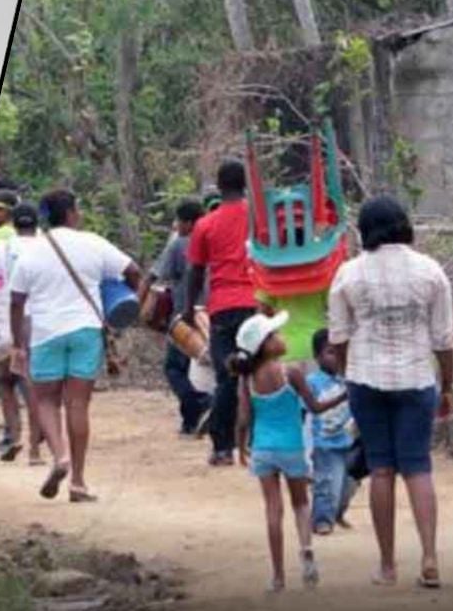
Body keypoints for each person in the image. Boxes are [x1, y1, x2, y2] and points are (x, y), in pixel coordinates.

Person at [327, 194, 453, 588]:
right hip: (416, 379)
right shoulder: (430, 271)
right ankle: (430, 558)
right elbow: (443, 341)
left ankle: (387, 565)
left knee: (381, 468)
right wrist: (447, 387)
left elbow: (339, 336)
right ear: (404, 225)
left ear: (365, 230)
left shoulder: (348, 273)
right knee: (417, 467)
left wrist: (351, 374)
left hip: (367, 379)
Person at [9, 190, 141, 502]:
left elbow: (16, 302)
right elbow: (133, 271)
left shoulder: (31, 252)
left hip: (45, 333)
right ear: (71, 213)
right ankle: (78, 482)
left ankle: (60, 457)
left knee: (45, 402)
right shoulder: (93, 243)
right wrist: (125, 300)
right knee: (78, 405)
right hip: (85, 330)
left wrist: (17, 344)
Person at [231, 312, 344, 592]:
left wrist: (241, 447)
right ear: (266, 345)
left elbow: (244, 418)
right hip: (292, 447)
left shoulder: (247, 380)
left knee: (273, 508)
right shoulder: (290, 372)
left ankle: (278, 576)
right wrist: (345, 395)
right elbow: (315, 407)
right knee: (300, 504)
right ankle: (306, 552)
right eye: (275, 335)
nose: (281, 338)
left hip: (263, 450)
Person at [185, 160, 260, 466]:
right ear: (245, 184)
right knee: (259, 374)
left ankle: (222, 448)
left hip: (223, 307)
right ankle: (258, 441)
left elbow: (195, 270)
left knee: (226, 378)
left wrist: (189, 308)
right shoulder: (259, 219)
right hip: (257, 303)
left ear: (219, 185)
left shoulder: (206, 224)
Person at [0, 201, 42, 462]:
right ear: (37, 224)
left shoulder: (5, 247)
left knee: (7, 381)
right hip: (42, 321)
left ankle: (14, 437)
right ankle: (36, 450)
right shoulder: (48, 247)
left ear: (13, 224)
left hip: (10, 318)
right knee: (33, 385)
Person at [140, 198, 211, 435]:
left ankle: (196, 408)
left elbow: (154, 275)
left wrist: (139, 304)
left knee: (175, 368)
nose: (176, 226)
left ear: (189, 223)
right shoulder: (216, 239)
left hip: (187, 317)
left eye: (179, 221)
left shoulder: (180, 244)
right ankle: (201, 415)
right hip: (215, 312)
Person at [306, 329, 357, 535]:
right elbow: (308, 413)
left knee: (348, 485)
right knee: (327, 483)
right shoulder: (312, 382)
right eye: (330, 352)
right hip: (325, 442)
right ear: (317, 357)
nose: (337, 357)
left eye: (340, 351)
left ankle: (337, 512)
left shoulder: (349, 378)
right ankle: (322, 519)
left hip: (349, 440)